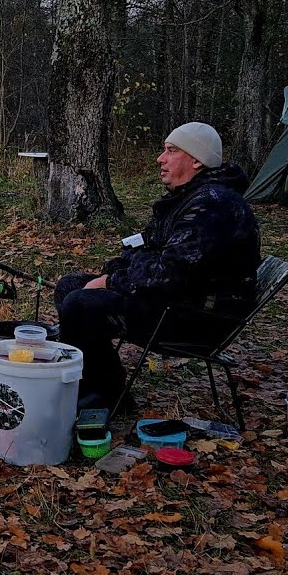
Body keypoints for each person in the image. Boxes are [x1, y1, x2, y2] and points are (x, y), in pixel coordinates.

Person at [54, 122, 261, 413]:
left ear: (196, 160)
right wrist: (112, 271)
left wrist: (111, 282)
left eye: (171, 151)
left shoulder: (213, 205)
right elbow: (144, 248)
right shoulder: (187, 198)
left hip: (199, 317)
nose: (160, 159)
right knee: (69, 286)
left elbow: (169, 273)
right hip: (178, 301)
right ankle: (105, 386)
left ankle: (102, 397)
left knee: (81, 304)